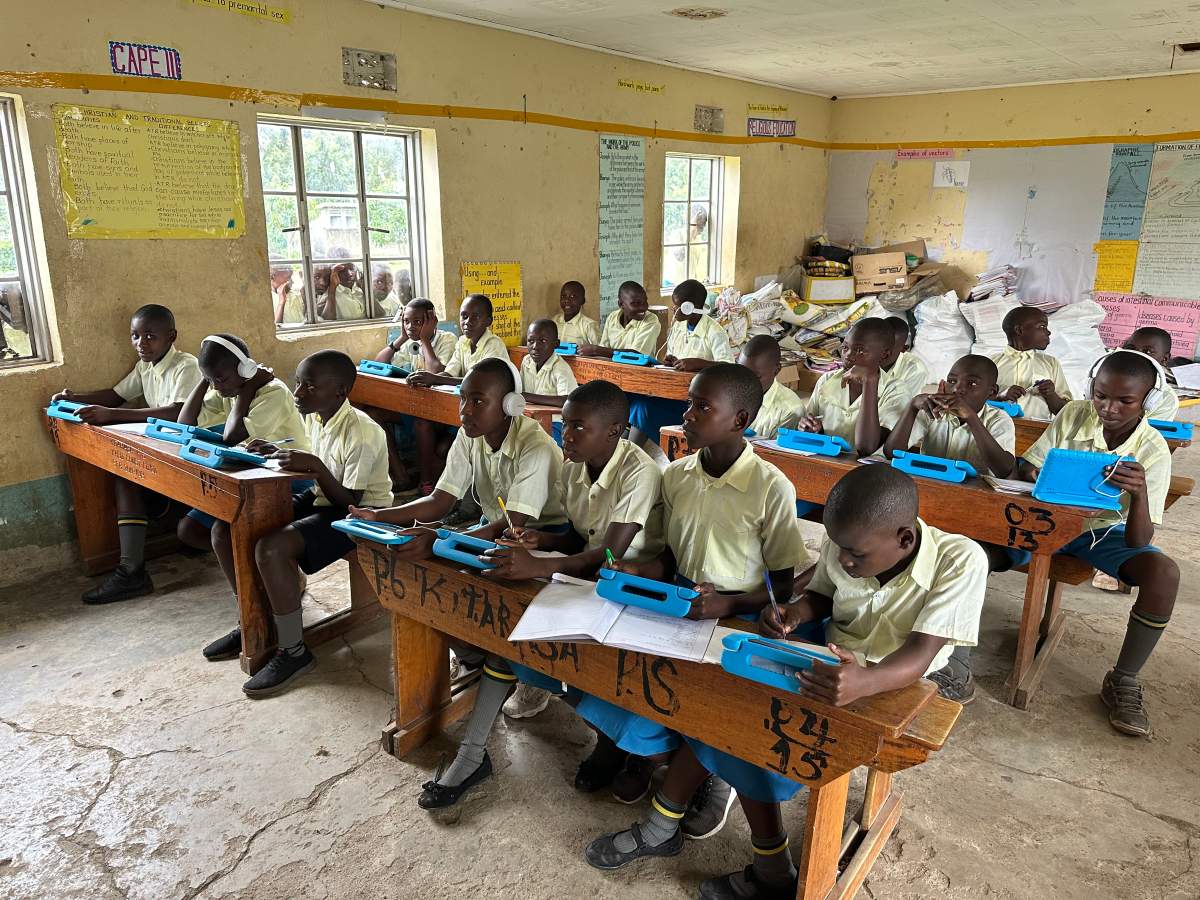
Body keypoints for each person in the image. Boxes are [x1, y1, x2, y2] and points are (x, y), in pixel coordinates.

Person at [585, 465, 986, 900]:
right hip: (829, 657)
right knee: (729, 701)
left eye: (856, 555)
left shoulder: (961, 560)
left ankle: (713, 843)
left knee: (748, 726)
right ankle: (739, 852)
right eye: (839, 549)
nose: (845, 562)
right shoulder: (850, 541)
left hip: (898, 681)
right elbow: (824, 595)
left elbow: (920, 654)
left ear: (905, 539)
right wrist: (796, 614)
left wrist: (865, 681)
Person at [578, 363, 806, 834]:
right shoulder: (677, 475)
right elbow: (667, 556)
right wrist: (639, 570)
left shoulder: (770, 487)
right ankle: (645, 752)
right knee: (617, 666)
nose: (687, 414)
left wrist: (729, 604)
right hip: (677, 601)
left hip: (736, 616)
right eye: (689, 402)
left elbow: (782, 584)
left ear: (739, 420)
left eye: (702, 407)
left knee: (721, 700)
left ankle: (716, 777)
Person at [413, 379, 665, 806]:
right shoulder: (573, 466)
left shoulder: (639, 472)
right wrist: (539, 540)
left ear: (615, 431)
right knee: (510, 634)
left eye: (577, 427)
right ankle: (474, 754)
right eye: (564, 425)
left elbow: (607, 553)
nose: (565, 435)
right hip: (587, 576)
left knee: (596, 665)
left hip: (639, 583)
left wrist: (542, 565)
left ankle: (622, 749)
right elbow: (576, 535)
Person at [1005, 350, 1178, 737]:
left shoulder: (1151, 447)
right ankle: (953, 656)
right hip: (1047, 518)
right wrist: (1038, 471)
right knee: (978, 545)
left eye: (1125, 400)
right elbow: (1028, 465)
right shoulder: (1073, 414)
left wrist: (1141, 492)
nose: (1109, 408)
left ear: (1147, 401)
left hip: (1102, 531)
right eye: (1100, 395)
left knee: (1164, 574)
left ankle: (1124, 679)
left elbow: (1139, 539)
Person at [204, 351, 392, 695]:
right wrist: (272, 449)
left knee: (270, 548)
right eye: (297, 383)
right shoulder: (316, 417)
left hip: (362, 514)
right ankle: (253, 618)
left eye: (309, 386)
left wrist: (316, 467)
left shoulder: (363, 432)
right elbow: (303, 457)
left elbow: (349, 501)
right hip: (324, 498)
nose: (298, 393)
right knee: (226, 529)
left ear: (340, 391)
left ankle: (294, 651)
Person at [52, 305, 203, 605]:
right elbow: (116, 395)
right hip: (164, 447)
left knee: (128, 480)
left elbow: (179, 413)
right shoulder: (145, 365)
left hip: (193, 449)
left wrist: (113, 416)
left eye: (150, 336)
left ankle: (132, 570)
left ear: (171, 337)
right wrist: (74, 397)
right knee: (125, 476)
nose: (141, 344)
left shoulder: (186, 366)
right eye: (135, 336)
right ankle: (131, 569)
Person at [175, 334, 312, 551]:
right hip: (249, 475)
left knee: (229, 531)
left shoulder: (273, 392)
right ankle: (249, 565)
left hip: (289, 477)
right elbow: (184, 422)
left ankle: (266, 570)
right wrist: (206, 378)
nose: (216, 388)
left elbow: (232, 435)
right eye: (211, 380)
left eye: (220, 379)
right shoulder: (226, 389)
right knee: (189, 530)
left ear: (245, 369)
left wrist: (248, 388)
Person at [627, 280, 733, 448]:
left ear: (688, 307)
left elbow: (729, 369)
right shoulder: (678, 327)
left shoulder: (714, 332)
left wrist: (698, 364)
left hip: (696, 403)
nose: (673, 309)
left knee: (644, 409)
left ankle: (632, 455)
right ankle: (628, 455)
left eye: (676, 306)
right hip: (675, 393)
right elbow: (677, 358)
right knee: (638, 403)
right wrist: (671, 361)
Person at [368, 298, 458, 490]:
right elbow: (379, 364)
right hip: (417, 407)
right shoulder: (408, 341)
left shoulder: (447, 339)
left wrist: (425, 339)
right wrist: (401, 338)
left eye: (418, 322)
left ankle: (425, 482)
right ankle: (400, 475)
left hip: (441, 412)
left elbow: (436, 373)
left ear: (432, 320)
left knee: (421, 423)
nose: (411, 326)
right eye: (407, 321)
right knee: (373, 414)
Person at [883, 354, 1016, 477]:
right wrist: (912, 407)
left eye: (972, 383)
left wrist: (970, 417)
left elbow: (1003, 470)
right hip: (928, 485)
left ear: (992, 392)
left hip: (975, 496)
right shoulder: (932, 410)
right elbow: (891, 453)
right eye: (952, 381)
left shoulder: (999, 419)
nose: (957, 389)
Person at [798, 317, 907, 457]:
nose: (848, 355)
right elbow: (810, 426)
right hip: (825, 462)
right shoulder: (828, 379)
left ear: (884, 355)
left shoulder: (896, 391)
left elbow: (867, 447)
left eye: (860, 350)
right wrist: (813, 429)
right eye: (845, 348)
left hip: (866, 473)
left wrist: (870, 382)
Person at [409, 294, 508, 388]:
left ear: (488, 321)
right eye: (464, 316)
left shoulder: (494, 345)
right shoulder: (462, 342)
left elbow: (480, 382)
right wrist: (423, 378)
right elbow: (450, 373)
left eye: (475, 317)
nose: (467, 322)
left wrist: (435, 379)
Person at [991, 306, 1071, 419]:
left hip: (1038, 434)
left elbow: (1065, 412)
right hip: (998, 433)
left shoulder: (1051, 363)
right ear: (1019, 330)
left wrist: (1051, 395)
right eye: (1042, 326)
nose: (1048, 332)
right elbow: (973, 404)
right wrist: (1000, 396)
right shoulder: (991, 364)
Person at [519, 319, 578, 445]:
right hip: (530, 419)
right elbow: (520, 390)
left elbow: (567, 400)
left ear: (556, 344)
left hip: (556, 423)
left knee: (535, 444)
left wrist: (527, 396)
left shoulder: (560, 367)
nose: (535, 346)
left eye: (543, 341)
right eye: (531, 341)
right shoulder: (527, 362)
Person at [738, 334, 803, 439]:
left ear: (776, 370)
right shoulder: (730, 392)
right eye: (741, 372)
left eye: (756, 376)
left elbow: (775, 453)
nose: (745, 381)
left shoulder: (790, 410)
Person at [579, 281, 660, 359]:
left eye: (645, 302)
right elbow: (604, 349)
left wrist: (596, 350)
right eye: (635, 303)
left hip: (639, 371)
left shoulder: (651, 320)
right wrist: (598, 351)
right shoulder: (612, 317)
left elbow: (636, 356)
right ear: (621, 304)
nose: (643, 307)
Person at [1122, 327, 1180, 418]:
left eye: (1147, 351)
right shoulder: (1104, 380)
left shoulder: (1167, 399)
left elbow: (1151, 432)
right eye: (1130, 348)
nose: (1136, 355)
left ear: (1164, 359)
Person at [882, 316, 930, 399]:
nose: (882, 353)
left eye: (890, 349)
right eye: (879, 345)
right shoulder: (864, 357)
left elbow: (897, 406)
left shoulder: (916, 371)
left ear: (904, 349)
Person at [553, 280, 600, 346]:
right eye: (563, 296)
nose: (566, 300)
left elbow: (599, 351)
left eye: (572, 296)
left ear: (582, 301)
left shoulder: (588, 325)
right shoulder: (555, 321)